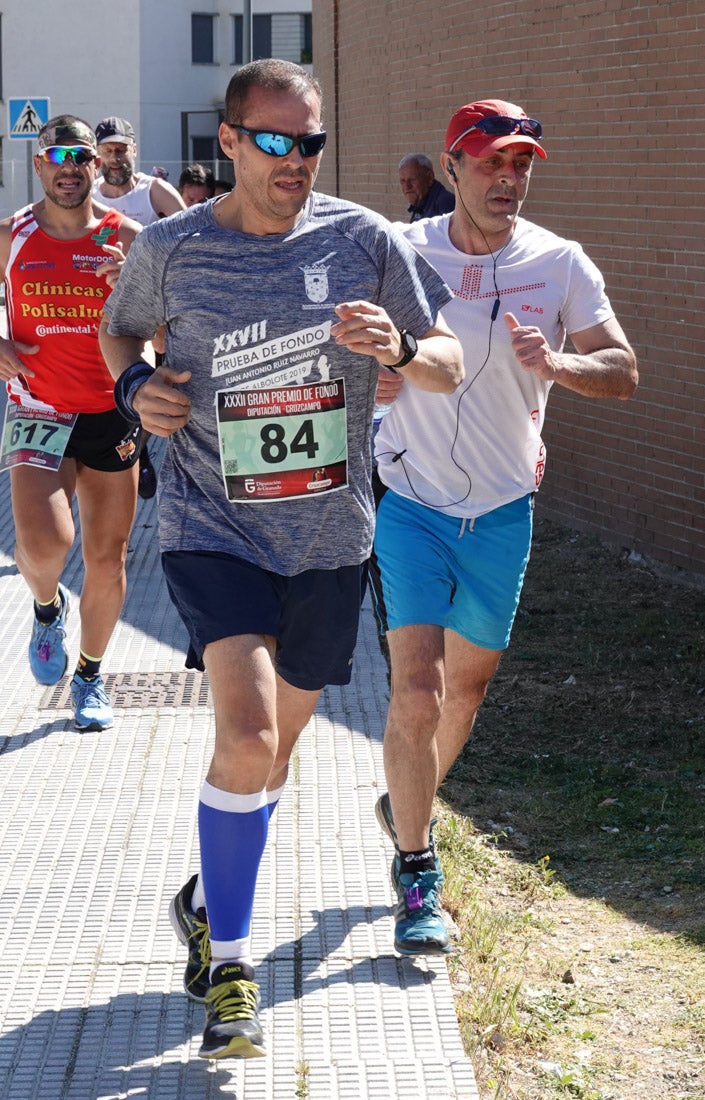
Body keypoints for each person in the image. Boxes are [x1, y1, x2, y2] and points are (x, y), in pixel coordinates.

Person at [99, 58, 463, 1061]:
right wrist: (136, 388)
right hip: (212, 527)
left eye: (309, 143)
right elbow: (120, 328)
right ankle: (232, 967)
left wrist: (396, 350)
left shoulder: (363, 238)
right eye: (273, 141)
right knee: (250, 731)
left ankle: (207, 893)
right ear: (227, 142)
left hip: (329, 540)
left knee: (270, 757)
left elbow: (447, 360)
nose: (296, 159)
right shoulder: (169, 246)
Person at [373, 99, 638, 957]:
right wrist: (366, 376)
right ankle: (417, 870)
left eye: (520, 163)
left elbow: (622, 369)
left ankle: (405, 794)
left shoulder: (558, 263)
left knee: (464, 694)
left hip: (501, 509)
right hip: (409, 498)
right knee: (416, 690)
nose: (507, 178)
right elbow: (341, 344)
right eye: (489, 162)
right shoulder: (405, 252)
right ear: (451, 169)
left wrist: (558, 362)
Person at [0, 115, 144, 731]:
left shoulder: (128, 237)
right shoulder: (12, 236)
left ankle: (88, 675)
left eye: (80, 156)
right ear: (38, 165)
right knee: (43, 543)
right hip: (39, 405)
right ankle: (45, 605)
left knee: (107, 559)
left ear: (96, 166)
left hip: (111, 409)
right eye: (56, 156)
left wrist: (129, 297)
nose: (69, 167)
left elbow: (163, 329)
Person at [92, 116, 187, 500]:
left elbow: (189, 239)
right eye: (107, 151)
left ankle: (139, 447)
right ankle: (137, 450)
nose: (115, 159)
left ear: (134, 150)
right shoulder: (91, 197)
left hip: (156, 312)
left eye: (121, 150)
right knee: (122, 384)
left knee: (147, 380)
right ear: (98, 156)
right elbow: (88, 249)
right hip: (109, 310)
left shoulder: (155, 192)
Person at [398, 152, 455, 221]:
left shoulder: (445, 204)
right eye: (403, 181)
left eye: (413, 179)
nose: (407, 187)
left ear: (430, 177)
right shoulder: (421, 204)